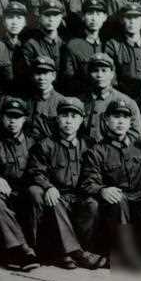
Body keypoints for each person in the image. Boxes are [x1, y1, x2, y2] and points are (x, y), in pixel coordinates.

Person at [26, 97, 106, 269]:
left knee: (92, 204)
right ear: (57, 119)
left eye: (74, 116)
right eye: (64, 116)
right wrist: (48, 187)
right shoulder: (45, 145)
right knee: (54, 201)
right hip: (58, 195)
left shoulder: (89, 145)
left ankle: (77, 251)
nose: (69, 121)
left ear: (82, 120)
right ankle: (77, 253)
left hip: (80, 196)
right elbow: (35, 171)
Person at [79, 99, 141, 266]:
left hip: (139, 201)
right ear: (106, 120)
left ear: (130, 122)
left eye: (125, 117)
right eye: (116, 116)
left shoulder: (140, 147)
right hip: (113, 207)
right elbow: (88, 182)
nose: (120, 121)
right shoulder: (97, 151)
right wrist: (102, 190)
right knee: (118, 200)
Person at [0, 96, 40, 271]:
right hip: (5, 193)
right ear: (2, 117)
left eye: (17, 117)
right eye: (8, 116)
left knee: (36, 194)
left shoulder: (33, 143)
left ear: (24, 119)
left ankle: (37, 247)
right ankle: (21, 249)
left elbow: (41, 169)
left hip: (26, 192)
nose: (12, 121)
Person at [81, 53, 141, 143]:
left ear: (112, 74)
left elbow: (136, 134)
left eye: (104, 70)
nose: (99, 75)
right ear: (89, 74)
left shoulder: (127, 102)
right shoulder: (81, 101)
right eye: (95, 70)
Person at [104, 2, 141, 99]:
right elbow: (110, 76)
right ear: (122, 20)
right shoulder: (113, 45)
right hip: (122, 98)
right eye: (128, 17)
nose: (132, 21)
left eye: (136, 18)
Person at [61, 0, 107, 96]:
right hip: (82, 97)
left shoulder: (108, 45)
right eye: (90, 14)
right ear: (83, 16)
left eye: (98, 14)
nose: (94, 18)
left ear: (105, 17)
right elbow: (69, 80)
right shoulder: (73, 45)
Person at [0, 1, 28, 94]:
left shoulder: (27, 46)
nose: (14, 22)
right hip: (0, 96)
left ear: (25, 23)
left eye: (19, 18)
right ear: (3, 21)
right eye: (10, 18)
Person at [20, 0, 66, 77]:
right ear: (40, 17)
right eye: (47, 15)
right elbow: (28, 75)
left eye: (55, 15)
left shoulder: (64, 44)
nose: (51, 19)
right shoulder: (30, 45)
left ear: (61, 18)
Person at [26, 55, 65, 142]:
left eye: (45, 73)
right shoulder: (27, 101)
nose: (41, 78)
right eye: (38, 73)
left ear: (53, 76)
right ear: (32, 76)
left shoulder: (62, 102)